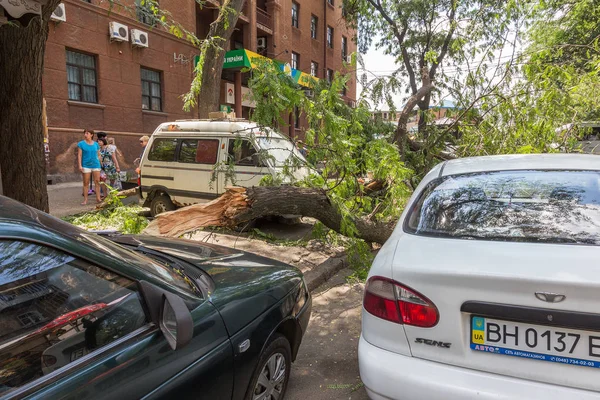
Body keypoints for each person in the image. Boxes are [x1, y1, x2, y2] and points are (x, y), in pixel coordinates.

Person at [77, 129, 102, 205]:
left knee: (97, 182)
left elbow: (98, 154)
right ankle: (85, 200)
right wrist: (80, 165)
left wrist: (100, 163)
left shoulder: (96, 144)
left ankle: (98, 198)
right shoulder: (81, 144)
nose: (85, 135)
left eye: (87, 133)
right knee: (86, 183)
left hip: (96, 165)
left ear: (91, 134)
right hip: (86, 165)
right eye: (85, 133)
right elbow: (79, 155)